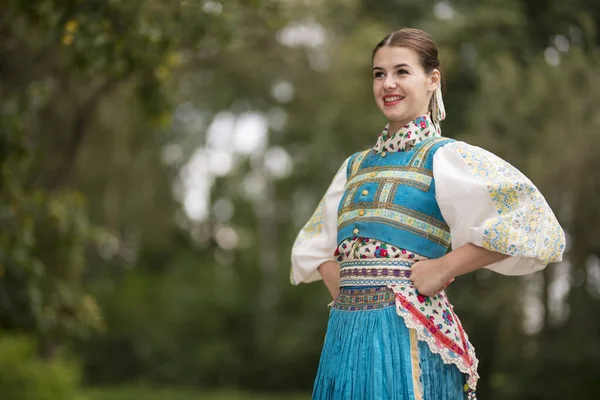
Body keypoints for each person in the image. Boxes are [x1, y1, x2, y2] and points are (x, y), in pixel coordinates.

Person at [290, 28, 566, 400]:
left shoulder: (445, 157)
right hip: (346, 338)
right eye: (379, 73)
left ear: (432, 79)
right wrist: (340, 282)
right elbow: (312, 242)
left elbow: (534, 225)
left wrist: (445, 267)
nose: (388, 83)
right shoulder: (354, 167)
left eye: (402, 72)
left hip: (409, 338)